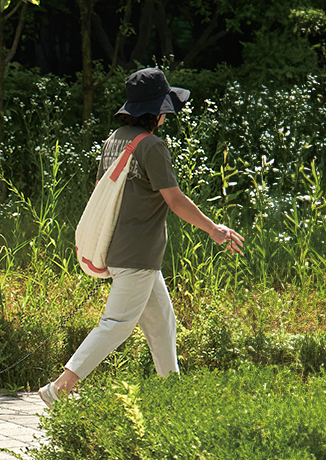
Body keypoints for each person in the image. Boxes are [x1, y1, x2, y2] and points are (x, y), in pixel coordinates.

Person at [39, 68, 245, 407]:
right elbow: (175, 200)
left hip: (123, 249)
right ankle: (60, 387)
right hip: (137, 255)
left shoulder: (114, 139)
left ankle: (172, 391)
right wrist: (214, 229)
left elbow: (100, 191)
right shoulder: (152, 146)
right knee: (116, 324)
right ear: (159, 110)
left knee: (161, 320)